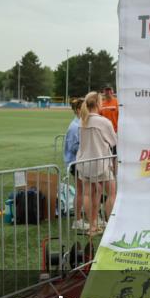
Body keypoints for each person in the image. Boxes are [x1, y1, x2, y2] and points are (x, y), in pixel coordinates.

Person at [76, 92, 117, 234]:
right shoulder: (103, 122)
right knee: (111, 192)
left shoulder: (83, 120)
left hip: (84, 162)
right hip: (100, 161)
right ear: (99, 103)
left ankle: (93, 225)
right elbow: (113, 141)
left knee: (90, 193)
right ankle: (112, 226)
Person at [64, 98, 86, 230]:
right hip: (76, 162)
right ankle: (77, 220)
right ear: (78, 110)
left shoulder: (80, 124)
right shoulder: (75, 127)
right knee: (80, 191)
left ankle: (82, 217)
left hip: (80, 160)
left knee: (84, 190)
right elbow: (73, 147)